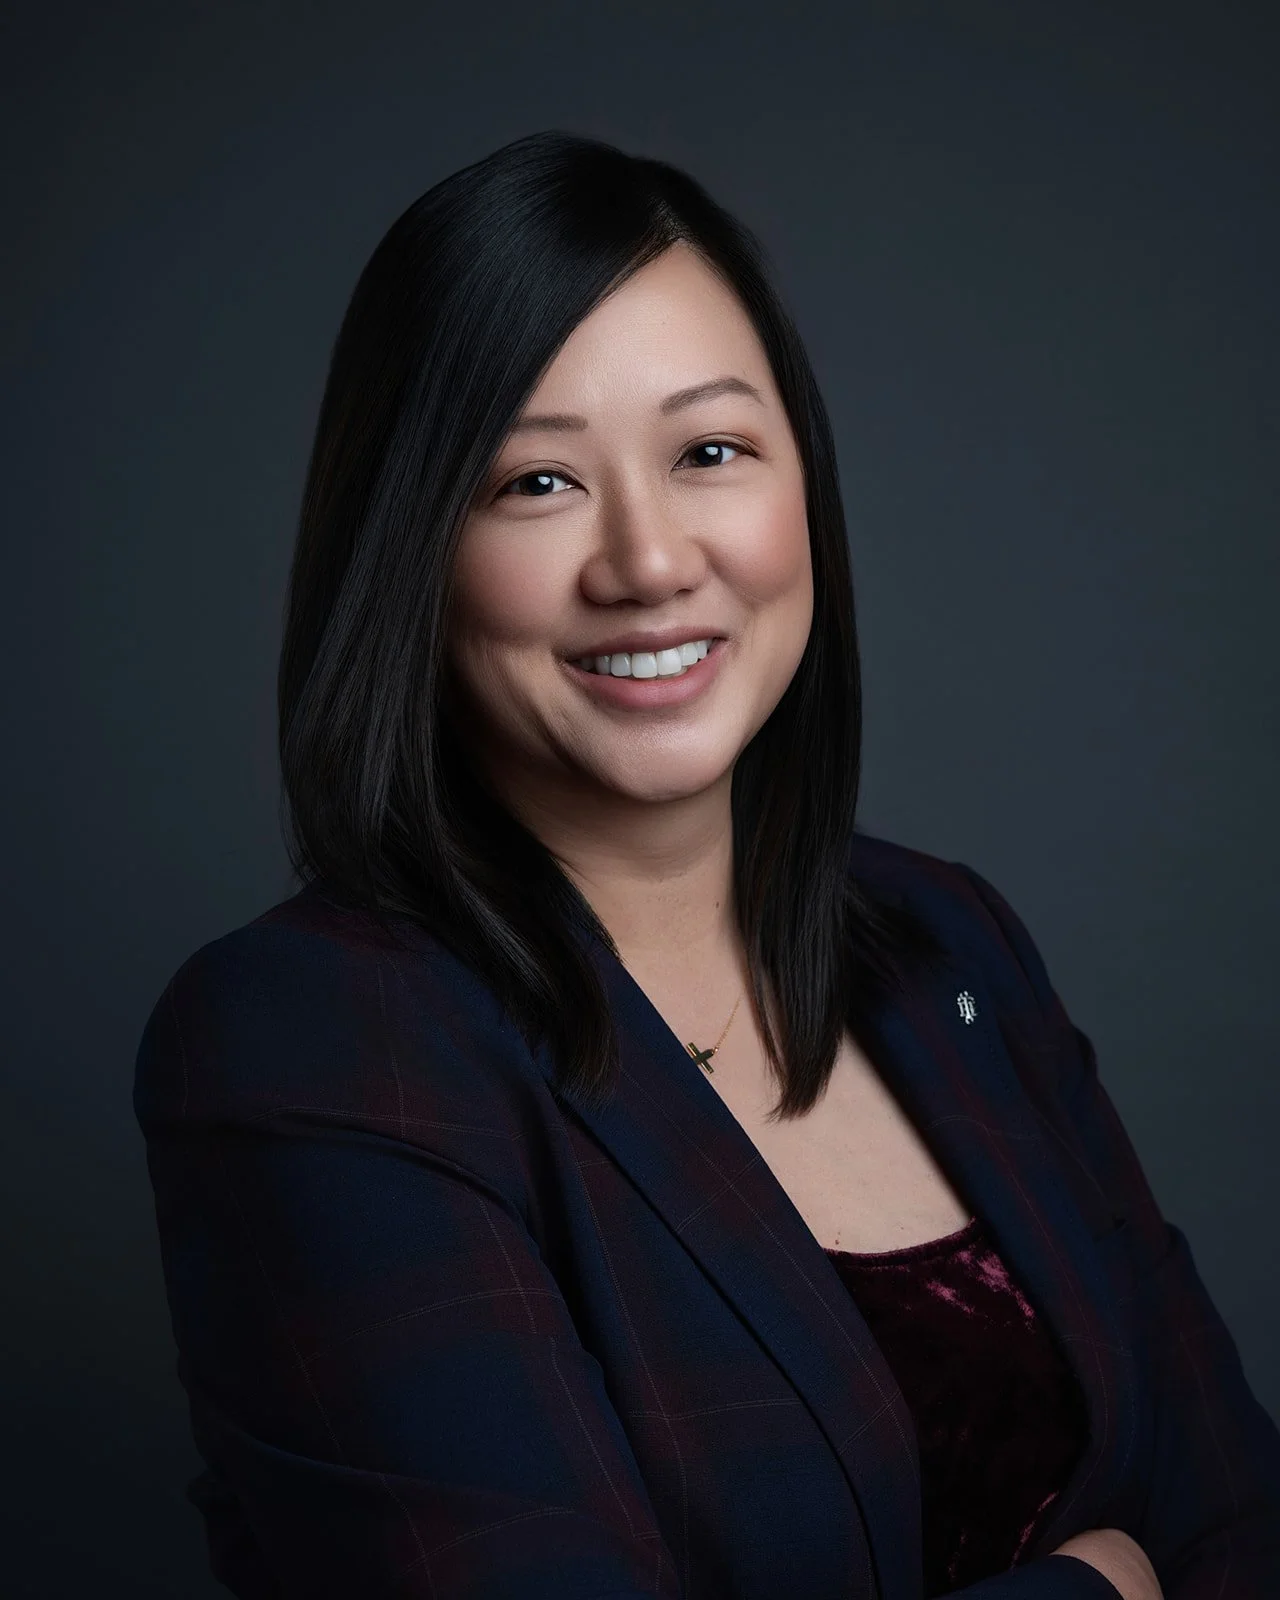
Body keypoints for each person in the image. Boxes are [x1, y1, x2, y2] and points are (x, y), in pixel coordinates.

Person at [133, 130, 1280, 1599]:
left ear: (805, 485)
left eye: (711, 452)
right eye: (534, 482)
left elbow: (1237, 1517)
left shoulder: (948, 943)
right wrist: (1100, 1591)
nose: (650, 559)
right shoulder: (315, 1048)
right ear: (409, 546)